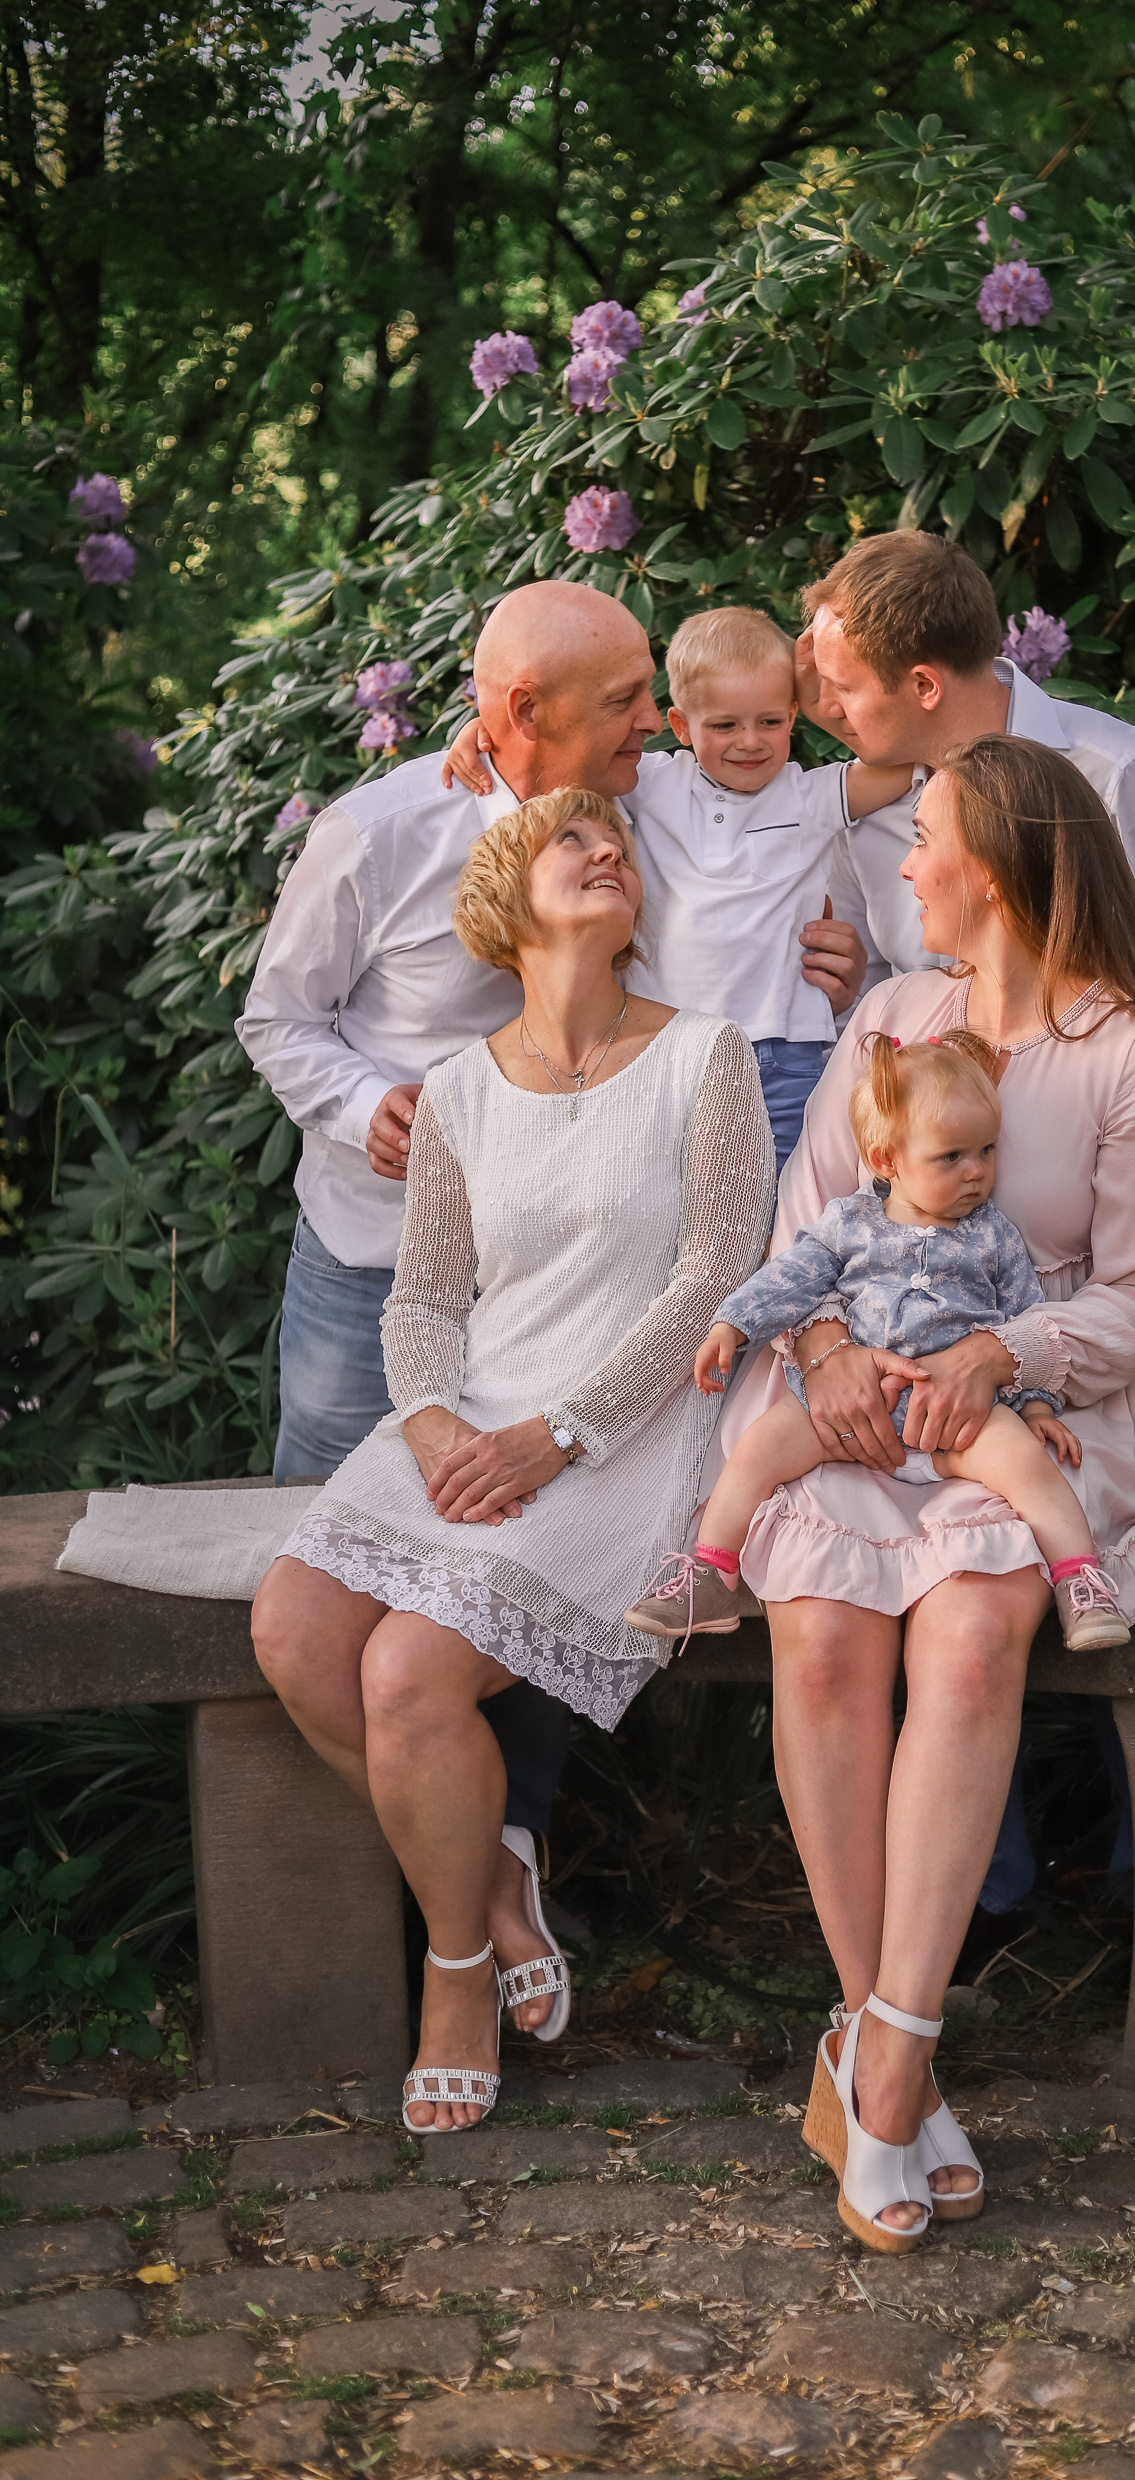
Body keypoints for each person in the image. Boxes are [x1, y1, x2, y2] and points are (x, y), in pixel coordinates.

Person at [236, 580, 861, 2027]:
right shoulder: (381, 832)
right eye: (627, 700)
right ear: (521, 712)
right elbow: (279, 1014)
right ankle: (482, 1899)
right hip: (384, 1261)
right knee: (321, 1613)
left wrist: (845, 967)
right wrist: (368, 1106)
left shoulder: (658, 817)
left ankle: (481, 1899)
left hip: (604, 1305)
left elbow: (787, 898)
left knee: (456, 1638)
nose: (656, 724)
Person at [710, 735, 1135, 2247]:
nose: (907, 864)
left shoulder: (1128, 1054)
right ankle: (891, 2050)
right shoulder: (892, 1017)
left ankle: (883, 2068)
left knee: (974, 1639)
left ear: (992, 869)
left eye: (923, 836)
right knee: (818, 1639)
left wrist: (1006, 1351)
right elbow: (809, 1222)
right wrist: (824, 1352)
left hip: (1028, 1419)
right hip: (861, 1400)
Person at [249, 787, 774, 2132]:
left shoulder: (705, 1054)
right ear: (503, 900)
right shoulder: (460, 1090)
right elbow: (423, 1299)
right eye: (569, 841)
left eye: (617, 842)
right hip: (472, 1414)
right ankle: (494, 1889)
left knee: (408, 1675)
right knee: (296, 1630)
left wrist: (561, 1435)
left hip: (632, 1432)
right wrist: (433, 1425)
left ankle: (456, 1972)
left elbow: (717, 1275)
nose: (606, 851)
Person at [795, 530, 1135, 1913]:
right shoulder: (881, 806)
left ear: (926, 683)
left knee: (1123, 1585)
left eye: (844, 686)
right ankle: (980, 1901)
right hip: (920, 1285)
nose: (824, 710)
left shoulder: (1124, 779)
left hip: (1088, 1264)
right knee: (935, 1584)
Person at [627, 1027, 1128, 1654]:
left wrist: (1035, 1408)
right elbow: (792, 1277)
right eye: (951, 1157)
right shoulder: (850, 1223)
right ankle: (711, 1573)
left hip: (958, 1419)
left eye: (986, 1150)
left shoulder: (994, 1234)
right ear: (887, 1159)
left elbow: (1024, 1321)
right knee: (756, 1450)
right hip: (847, 1416)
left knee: (1030, 1467)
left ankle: (1080, 1580)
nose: (976, 1172)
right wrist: (733, 1323)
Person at [443, 602, 907, 1163]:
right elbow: (553, 757)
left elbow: (902, 762)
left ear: (791, 717)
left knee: (782, 1199)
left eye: (769, 722)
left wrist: (821, 703)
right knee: (676, 1193)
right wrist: (484, 732)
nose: (750, 742)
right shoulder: (655, 783)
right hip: (669, 1048)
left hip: (784, 1050)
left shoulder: (809, 795)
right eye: (724, 725)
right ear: (682, 727)